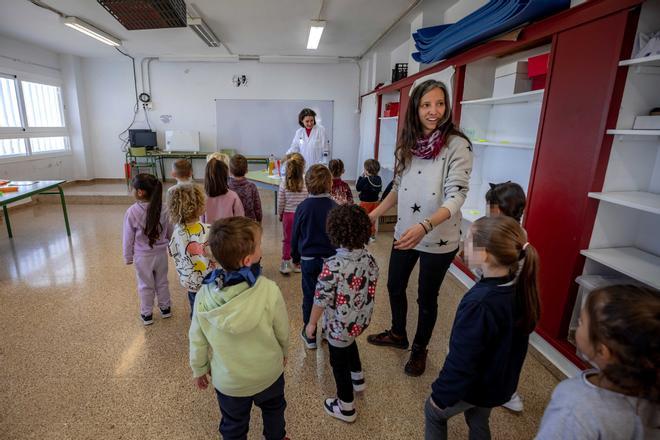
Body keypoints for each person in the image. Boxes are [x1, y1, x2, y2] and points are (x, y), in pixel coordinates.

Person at [366, 79, 473, 376]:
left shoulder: (457, 144)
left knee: (427, 297)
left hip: (438, 238)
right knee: (395, 285)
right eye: (426, 104)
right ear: (415, 108)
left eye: (440, 104)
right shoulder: (407, 143)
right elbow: (398, 186)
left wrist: (425, 226)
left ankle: (419, 349)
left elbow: (457, 196)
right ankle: (398, 334)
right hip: (405, 231)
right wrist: (373, 215)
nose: (434, 111)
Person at [425, 216, 541, 440]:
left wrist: (440, 395)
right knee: (477, 418)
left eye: (468, 239)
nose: (463, 243)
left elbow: (463, 358)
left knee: (433, 413)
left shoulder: (480, 303)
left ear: (485, 253)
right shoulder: (518, 288)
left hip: (475, 386)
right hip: (498, 383)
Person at [189, 217, 290, 440]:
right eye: (259, 245)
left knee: (233, 423)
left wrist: (199, 368)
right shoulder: (268, 290)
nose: (261, 248)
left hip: (230, 381)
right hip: (268, 373)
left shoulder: (203, 296)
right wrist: (284, 351)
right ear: (247, 260)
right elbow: (282, 329)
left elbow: (196, 338)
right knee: (274, 410)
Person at [536, 285, 659, 440]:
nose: (577, 324)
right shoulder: (652, 398)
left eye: (581, 322)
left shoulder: (574, 408)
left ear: (602, 351)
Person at [306, 204, 378, 423]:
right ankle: (358, 377)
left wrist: (311, 324)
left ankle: (346, 406)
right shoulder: (370, 259)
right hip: (360, 320)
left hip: (339, 325)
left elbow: (320, 299)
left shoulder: (333, 265)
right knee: (350, 342)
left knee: (338, 364)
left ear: (334, 232)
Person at [485, 180, 527, 413]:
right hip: (512, 300)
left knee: (493, 347)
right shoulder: (520, 232)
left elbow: (480, 266)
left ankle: (501, 390)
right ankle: (508, 390)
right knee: (509, 349)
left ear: (498, 209)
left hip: (496, 298)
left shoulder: (497, 234)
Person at [291, 164, 337, 349]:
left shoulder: (303, 207)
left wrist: (295, 257)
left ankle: (309, 333)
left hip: (309, 260)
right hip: (332, 261)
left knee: (310, 295)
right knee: (330, 295)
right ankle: (327, 330)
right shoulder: (335, 206)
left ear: (306, 184)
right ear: (330, 183)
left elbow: (295, 236)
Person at [123, 173, 173, 325]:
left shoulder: (132, 211)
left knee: (145, 285)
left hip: (142, 256)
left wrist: (128, 256)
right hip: (161, 254)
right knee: (162, 282)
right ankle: (166, 309)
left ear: (140, 192)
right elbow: (171, 230)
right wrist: (172, 248)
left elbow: (127, 237)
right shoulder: (165, 209)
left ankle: (147, 314)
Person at [167, 183, 215, 317]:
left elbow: (172, 252)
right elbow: (216, 255)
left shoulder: (176, 232)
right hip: (210, 282)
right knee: (211, 310)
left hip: (190, 283)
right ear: (201, 206)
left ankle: (196, 330)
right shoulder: (209, 230)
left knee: (195, 311)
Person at [277, 153, 307, 274]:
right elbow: (308, 198)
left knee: (287, 240)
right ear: (303, 167)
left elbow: (281, 202)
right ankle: (297, 263)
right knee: (301, 239)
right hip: (302, 215)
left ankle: (285, 263)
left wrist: (280, 214)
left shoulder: (284, 183)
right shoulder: (306, 182)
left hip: (288, 216)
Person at [202, 158, 244, 224]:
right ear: (225, 176)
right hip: (228, 232)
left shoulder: (202, 197)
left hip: (209, 232)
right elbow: (240, 219)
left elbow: (201, 221)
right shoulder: (233, 196)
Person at [229, 153, 263, 223]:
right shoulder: (251, 187)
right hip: (249, 223)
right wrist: (259, 219)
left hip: (232, 224)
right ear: (246, 170)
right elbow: (257, 206)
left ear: (230, 171)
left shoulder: (227, 187)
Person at [356, 159, 382, 240]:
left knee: (363, 218)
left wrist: (361, 177)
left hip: (365, 203)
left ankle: (363, 234)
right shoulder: (379, 179)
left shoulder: (365, 179)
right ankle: (372, 235)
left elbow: (358, 188)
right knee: (372, 219)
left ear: (366, 170)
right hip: (375, 203)